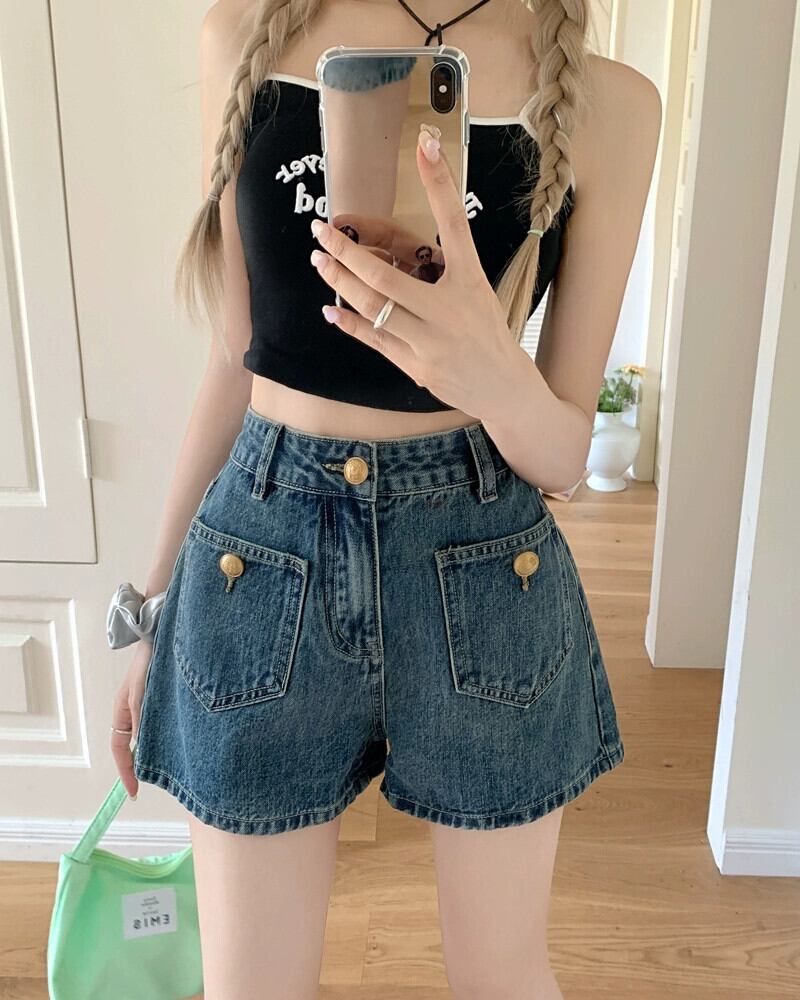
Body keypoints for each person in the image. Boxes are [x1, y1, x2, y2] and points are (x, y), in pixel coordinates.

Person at [109, 1, 661, 997]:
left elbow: (562, 454)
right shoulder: (246, 33)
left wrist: (488, 368)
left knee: (501, 976)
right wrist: (149, 610)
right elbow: (233, 363)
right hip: (254, 561)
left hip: (484, 562)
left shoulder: (609, 104)